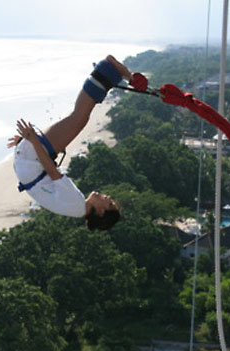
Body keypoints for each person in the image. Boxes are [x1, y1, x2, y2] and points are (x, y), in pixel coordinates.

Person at [8, 55, 139, 231]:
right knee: (80, 118)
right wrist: (25, 146)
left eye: (109, 203)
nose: (107, 197)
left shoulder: (75, 203)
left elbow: (52, 172)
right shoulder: (75, 208)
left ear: (100, 212)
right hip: (29, 160)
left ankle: (109, 69)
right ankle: (109, 74)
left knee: (79, 117)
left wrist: (32, 141)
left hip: (33, 158)